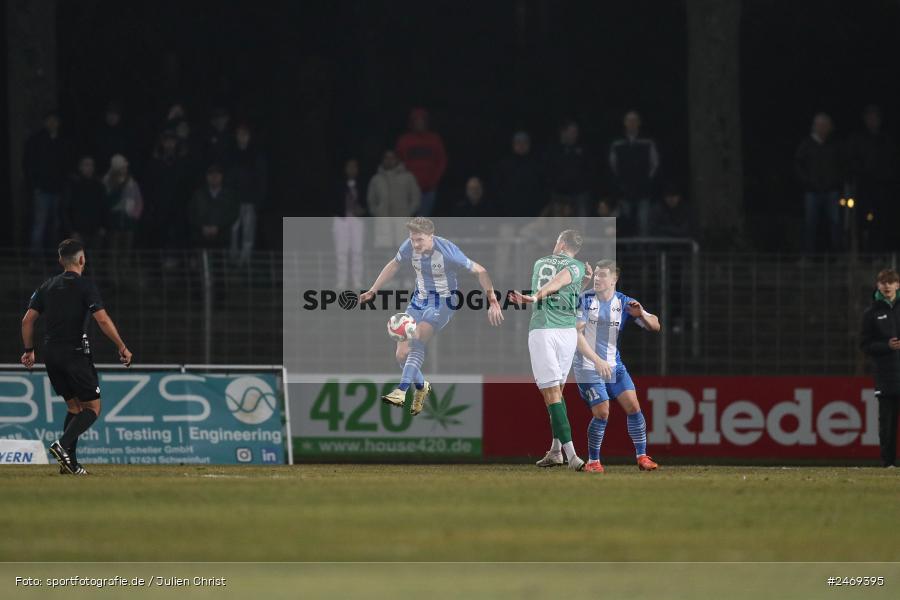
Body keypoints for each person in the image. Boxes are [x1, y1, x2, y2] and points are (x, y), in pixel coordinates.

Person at [360, 217, 503, 416]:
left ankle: (401, 391)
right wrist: (374, 289)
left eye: (419, 240)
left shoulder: (448, 252)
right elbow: (394, 265)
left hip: (444, 302)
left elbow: (480, 270)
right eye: (412, 240)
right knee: (401, 354)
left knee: (416, 337)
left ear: (431, 237)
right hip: (418, 301)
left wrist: (493, 300)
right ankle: (421, 388)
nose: (415, 244)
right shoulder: (409, 247)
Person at [20, 239, 133, 475]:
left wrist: (29, 350)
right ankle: (62, 445)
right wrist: (121, 345)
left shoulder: (46, 286)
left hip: (51, 355)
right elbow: (101, 319)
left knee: (75, 407)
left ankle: (68, 463)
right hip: (75, 354)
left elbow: (27, 320)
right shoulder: (85, 286)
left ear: (61, 260)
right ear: (82, 260)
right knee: (93, 408)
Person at [508, 230, 589, 471]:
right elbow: (566, 287)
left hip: (544, 330)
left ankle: (565, 454)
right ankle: (563, 453)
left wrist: (534, 298)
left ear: (561, 243)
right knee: (556, 394)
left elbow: (557, 283)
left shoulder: (541, 262)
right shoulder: (578, 267)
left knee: (553, 395)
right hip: (567, 333)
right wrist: (583, 280)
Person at [573, 260, 661, 473]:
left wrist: (641, 315)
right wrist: (597, 361)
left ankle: (642, 457)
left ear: (614, 279)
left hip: (614, 366)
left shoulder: (623, 302)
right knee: (603, 413)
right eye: (596, 275)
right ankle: (593, 461)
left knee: (634, 407)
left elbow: (656, 325)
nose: (597, 279)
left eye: (602, 275)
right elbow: (575, 335)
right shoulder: (585, 300)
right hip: (588, 367)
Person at [859, 268, 900, 468]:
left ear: (897, 285)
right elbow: (865, 345)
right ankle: (888, 463)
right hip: (885, 376)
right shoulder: (871, 313)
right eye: (883, 282)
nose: (887, 286)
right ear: (878, 285)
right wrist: (886, 346)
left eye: (891, 282)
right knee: (887, 423)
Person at [847, 105, 898, 251]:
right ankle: (863, 252)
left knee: (882, 220)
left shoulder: (886, 139)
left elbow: (892, 161)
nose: (872, 120)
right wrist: (861, 173)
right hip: (863, 184)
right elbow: (852, 160)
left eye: (875, 117)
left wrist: (886, 176)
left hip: (882, 186)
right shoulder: (857, 138)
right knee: (861, 220)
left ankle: (880, 251)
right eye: (869, 117)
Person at [795, 113, 844, 252]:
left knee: (835, 224)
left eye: (825, 126)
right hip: (812, 191)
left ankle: (836, 255)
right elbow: (798, 165)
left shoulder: (834, 145)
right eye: (820, 125)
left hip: (831, 191)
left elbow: (841, 165)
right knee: (810, 224)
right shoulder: (806, 145)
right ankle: (808, 255)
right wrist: (808, 182)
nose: (823, 128)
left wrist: (835, 181)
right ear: (814, 127)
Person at [24, 110, 69, 253]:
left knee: (55, 225)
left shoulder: (62, 140)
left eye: (55, 120)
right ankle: (35, 259)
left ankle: (52, 258)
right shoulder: (36, 140)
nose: (52, 123)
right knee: (40, 224)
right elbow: (28, 163)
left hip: (57, 189)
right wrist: (35, 184)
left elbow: (64, 164)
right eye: (49, 120)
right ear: (45, 122)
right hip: (42, 189)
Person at [609, 111, 660, 236]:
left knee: (643, 224)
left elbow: (655, 164)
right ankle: (628, 252)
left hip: (643, 190)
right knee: (626, 224)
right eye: (629, 121)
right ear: (625, 123)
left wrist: (646, 180)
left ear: (639, 123)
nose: (632, 124)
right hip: (624, 190)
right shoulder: (617, 143)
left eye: (634, 120)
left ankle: (643, 253)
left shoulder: (647, 141)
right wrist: (621, 181)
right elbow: (613, 165)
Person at [227, 123, 268, 264]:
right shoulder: (231, 153)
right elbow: (228, 177)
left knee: (248, 234)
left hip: (250, 200)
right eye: (239, 134)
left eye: (245, 134)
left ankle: (245, 262)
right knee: (233, 231)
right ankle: (232, 261)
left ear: (249, 136)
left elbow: (262, 179)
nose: (242, 137)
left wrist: (259, 200)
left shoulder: (256, 154)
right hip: (233, 201)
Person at [395, 108, 447, 217]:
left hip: (428, 190)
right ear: (412, 123)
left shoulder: (434, 139)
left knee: (423, 222)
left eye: (421, 120)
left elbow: (441, 162)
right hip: (409, 190)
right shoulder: (404, 140)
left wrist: (433, 181)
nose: (419, 123)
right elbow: (399, 164)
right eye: (416, 120)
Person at [367, 149, 421, 248]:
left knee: (403, 249)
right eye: (386, 158)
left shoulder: (408, 177)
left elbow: (415, 197)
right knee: (384, 250)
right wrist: (377, 212)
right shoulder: (376, 179)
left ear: (397, 160)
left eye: (392, 158)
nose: (389, 160)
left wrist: (408, 213)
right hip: (383, 221)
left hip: (402, 220)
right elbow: (371, 200)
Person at [543, 119, 592, 217]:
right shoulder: (553, 150)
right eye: (572, 132)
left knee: (580, 224)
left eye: (576, 132)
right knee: (559, 225)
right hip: (559, 195)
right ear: (563, 132)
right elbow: (548, 170)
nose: (575, 135)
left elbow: (588, 170)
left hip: (579, 194)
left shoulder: (582, 150)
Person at [333, 158, 366, 290]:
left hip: (357, 220)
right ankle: (341, 281)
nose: (352, 169)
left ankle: (357, 281)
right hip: (341, 219)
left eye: (354, 167)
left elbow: (367, 201)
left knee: (357, 251)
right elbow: (332, 200)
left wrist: (363, 209)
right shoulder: (337, 183)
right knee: (341, 252)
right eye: (349, 166)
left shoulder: (362, 184)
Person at [102, 154, 143, 262]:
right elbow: (106, 202)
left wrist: (134, 216)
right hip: (114, 223)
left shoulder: (132, 182)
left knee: (126, 254)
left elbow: (138, 200)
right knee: (113, 253)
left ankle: (124, 275)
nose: (124, 169)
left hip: (128, 223)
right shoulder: (107, 181)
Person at [188, 164, 239, 249]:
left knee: (221, 261)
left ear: (222, 176)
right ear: (206, 177)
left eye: (217, 174)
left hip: (223, 240)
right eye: (211, 174)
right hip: (201, 239)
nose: (214, 177)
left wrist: (219, 227)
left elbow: (233, 214)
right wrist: (202, 227)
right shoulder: (198, 194)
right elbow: (191, 214)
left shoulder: (230, 195)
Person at [63, 155, 107, 251]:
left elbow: (104, 207)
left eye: (91, 165)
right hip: (78, 231)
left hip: (95, 231)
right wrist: (72, 231)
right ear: (80, 167)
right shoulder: (73, 186)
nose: (89, 168)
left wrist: (103, 226)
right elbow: (66, 209)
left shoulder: (99, 186)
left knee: (94, 261)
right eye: (86, 165)